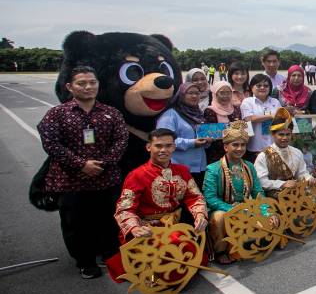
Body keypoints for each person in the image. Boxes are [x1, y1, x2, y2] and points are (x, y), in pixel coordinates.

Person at [37, 65, 128, 279]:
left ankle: (109, 255)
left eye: (92, 82)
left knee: (108, 220)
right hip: (71, 181)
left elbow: (121, 140)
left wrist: (102, 164)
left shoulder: (111, 113)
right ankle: (85, 261)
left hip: (105, 180)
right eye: (82, 83)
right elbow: (51, 143)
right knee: (76, 223)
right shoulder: (57, 114)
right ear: (70, 87)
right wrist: (81, 164)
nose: (88, 87)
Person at [111, 128, 209, 242]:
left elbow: (195, 197)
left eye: (168, 146)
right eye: (158, 146)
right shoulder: (137, 175)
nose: (163, 150)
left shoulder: (182, 171)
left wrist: (200, 215)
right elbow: (124, 208)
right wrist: (134, 227)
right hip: (146, 231)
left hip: (175, 226)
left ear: (174, 147)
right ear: (148, 147)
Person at [203, 121, 266, 264]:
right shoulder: (213, 169)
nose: (240, 148)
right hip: (222, 209)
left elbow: (258, 192)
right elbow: (210, 198)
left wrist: (265, 210)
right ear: (226, 147)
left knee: (268, 219)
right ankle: (221, 251)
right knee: (219, 218)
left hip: (245, 207)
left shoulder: (249, 166)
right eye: (235, 145)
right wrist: (232, 209)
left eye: (243, 145)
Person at [156, 81, 210, 188]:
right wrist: (192, 143)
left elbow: (201, 137)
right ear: (181, 95)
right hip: (178, 167)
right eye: (190, 93)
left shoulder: (198, 114)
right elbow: (164, 141)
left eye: (197, 93)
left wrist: (208, 140)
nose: (194, 96)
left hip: (199, 167)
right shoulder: (170, 115)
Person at [254, 107, 316, 196]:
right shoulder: (263, 155)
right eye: (281, 134)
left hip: (295, 195)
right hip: (272, 198)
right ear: (273, 134)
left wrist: (309, 178)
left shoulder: (297, 152)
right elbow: (261, 181)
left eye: (288, 134)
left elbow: (302, 173)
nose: (285, 138)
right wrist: (282, 184)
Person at [241, 74, 281, 162]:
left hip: (273, 146)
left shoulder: (275, 102)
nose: (262, 88)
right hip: (254, 147)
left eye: (266, 86)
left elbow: (280, 119)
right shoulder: (247, 102)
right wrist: (270, 116)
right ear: (252, 87)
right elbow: (249, 118)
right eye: (258, 85)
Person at [203, 81, 240, 164]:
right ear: (215, 94)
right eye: (222, 93)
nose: (225, 96)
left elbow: (243, 128)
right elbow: (209, 134)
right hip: (216, 154)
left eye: (228, 92)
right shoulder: (209, 111)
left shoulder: (236, 109)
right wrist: (233, 130)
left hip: (236, 152)